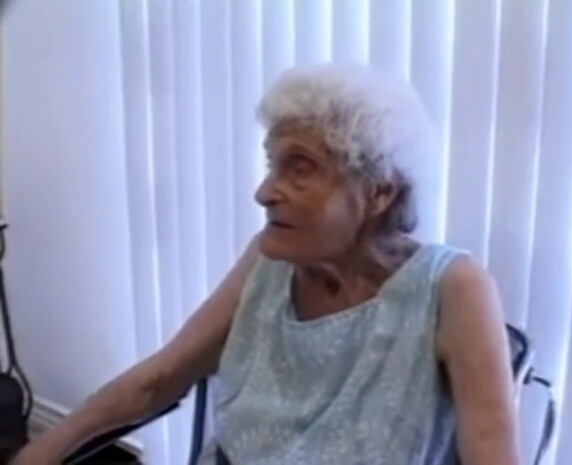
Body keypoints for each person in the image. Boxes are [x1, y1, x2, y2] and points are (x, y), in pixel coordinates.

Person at [12, 64, 521, 465]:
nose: (264, 193)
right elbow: (161, 378)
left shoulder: (453, 288)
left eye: (300, 169)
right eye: (272, 165)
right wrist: (45, 449)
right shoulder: (271, 259)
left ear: (378, 192)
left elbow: (491, 453)